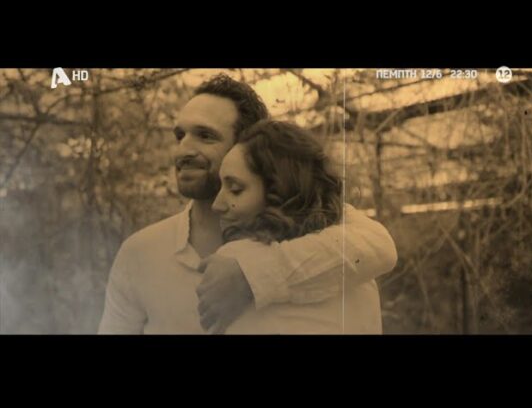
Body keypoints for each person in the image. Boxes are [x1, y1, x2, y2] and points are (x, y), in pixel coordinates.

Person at [98, 74, 397, 334]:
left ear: (251, 144)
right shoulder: (139, 253)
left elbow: (379, 245)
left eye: (205, 136)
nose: (183, 150)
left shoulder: (328, 238)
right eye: (180, 135)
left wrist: (252, 274)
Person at [207, 119, 384, 333]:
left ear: (280, 192)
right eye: (220, 187)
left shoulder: (237, 260)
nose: (216, 205)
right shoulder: (358, 273)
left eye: (235, 189)